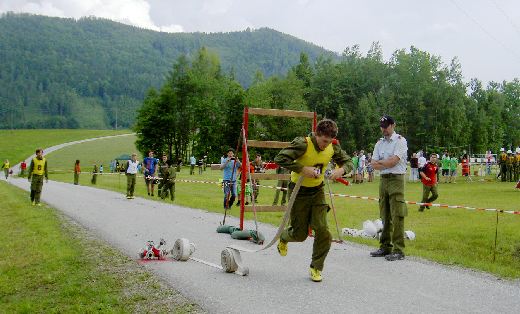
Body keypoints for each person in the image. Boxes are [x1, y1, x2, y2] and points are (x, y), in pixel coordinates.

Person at [274, 119, 353, 282]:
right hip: (299, 191)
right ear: (317, 135)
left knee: (323, 230)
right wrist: (303, 169)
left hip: (318, 191)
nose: (326, 145)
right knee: (300, 234)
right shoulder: (303, 144)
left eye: (329, 141)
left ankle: (316, 267)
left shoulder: (333, 146)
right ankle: (284, 237)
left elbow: (348, 162)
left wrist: (341, 170)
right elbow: (280, 158)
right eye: (324, 141)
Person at [370, 115, 408, 261]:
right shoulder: (379, 143)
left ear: (393, 125)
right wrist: (383, 163)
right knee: (384, 214)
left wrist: (381, 163)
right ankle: (385, 246)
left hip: (396, 179)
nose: (383, 129)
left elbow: (394, 162)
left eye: (386, 126)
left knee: (397, 214)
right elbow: (373, 164)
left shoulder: (400, 141)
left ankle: (399, 249)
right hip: (383, 180)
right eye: (382, 126)